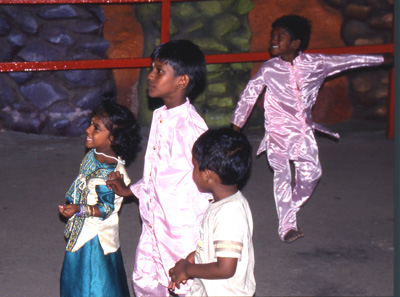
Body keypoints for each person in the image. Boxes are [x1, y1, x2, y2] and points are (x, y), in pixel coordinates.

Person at [231, 14, 385, 243]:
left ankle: (289, 210)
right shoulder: (269, 69)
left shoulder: (317, 64)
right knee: (281, 177)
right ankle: (286, 227)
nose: (273, 40)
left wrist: (380, 60)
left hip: (303, 133)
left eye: (279, 37)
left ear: (295, 43)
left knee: (312, 175)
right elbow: (248, 96)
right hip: (276, 134)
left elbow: (349, 61)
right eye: (273, 35)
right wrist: (235, 128)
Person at [106, 40, 211, 296]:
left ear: (182, 81)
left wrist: (200, 246)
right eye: (151, 69)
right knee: (145, 282)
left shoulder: (193, 130)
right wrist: (131, 191)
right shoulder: (163, 116)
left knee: (185, 288)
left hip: (181, 234)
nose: (150, 76)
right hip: (153, 224)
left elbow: (212, 187)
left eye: (159, 71)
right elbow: (159, 175)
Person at [58, 97, 141, 297]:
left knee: (94, 279)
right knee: (76, 275)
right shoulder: (93, 155)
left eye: (96, 128)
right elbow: (81, 182)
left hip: (95, 236)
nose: (88, 130)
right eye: (91, 124)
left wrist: (78, 209)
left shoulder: (110, 175)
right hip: (83, 227)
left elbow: (105, 209)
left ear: (114, 139)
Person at [168, 128, 255, 296]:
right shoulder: (227, 202)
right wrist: (192, 258)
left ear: (207, 174)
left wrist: (188, 270)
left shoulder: (228, 215)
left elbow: (225, 269)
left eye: (195, 166)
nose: (192, 170)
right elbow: (214, 246)